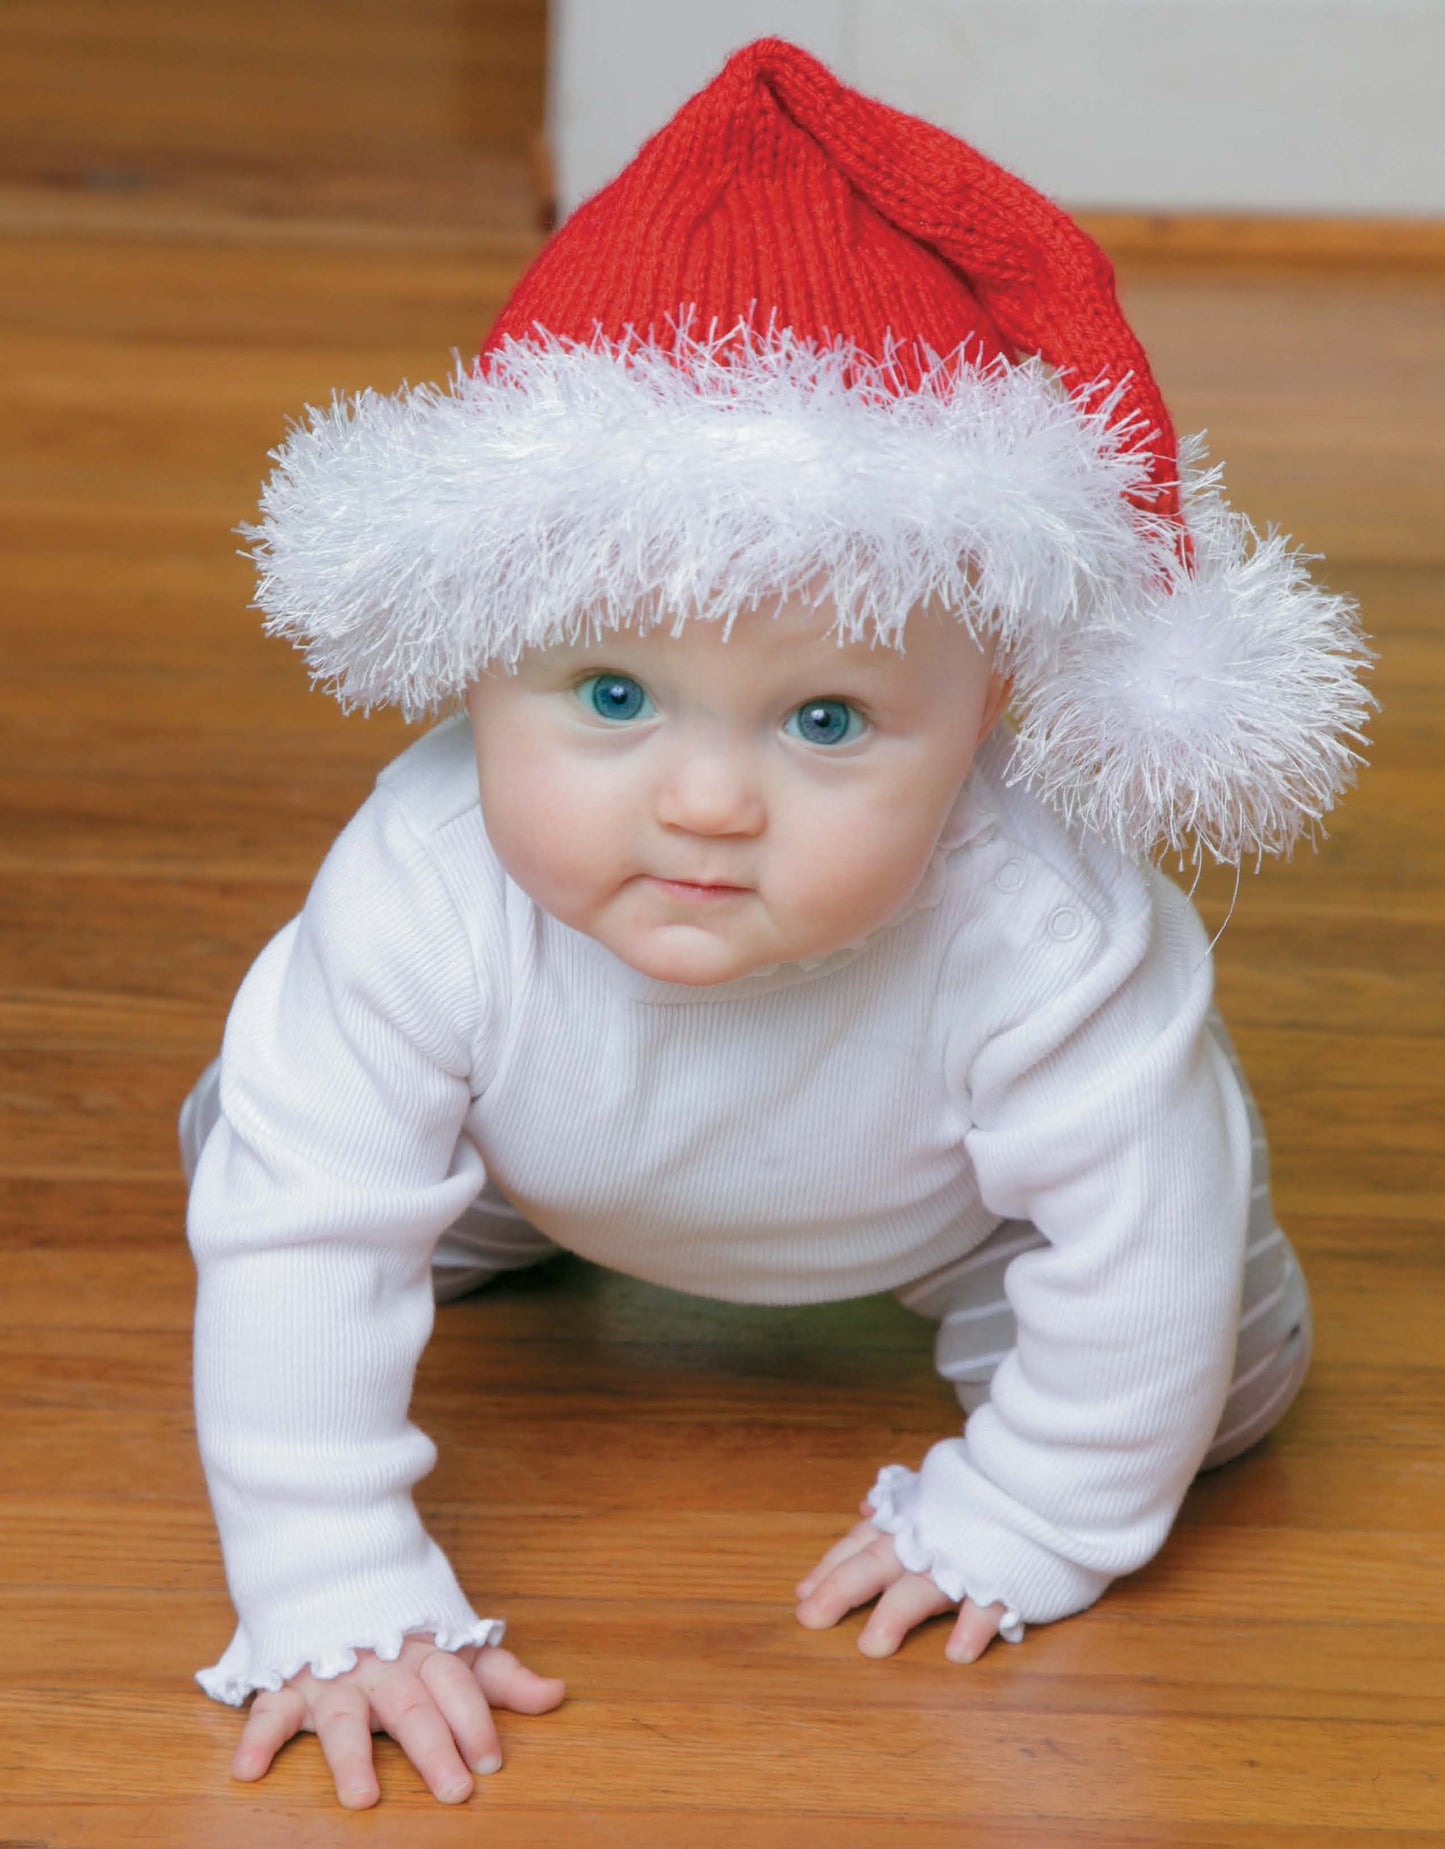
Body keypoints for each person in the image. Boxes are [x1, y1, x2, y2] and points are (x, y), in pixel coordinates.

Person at [180, 38, 1372, 1810]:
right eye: (605, 691)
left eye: (824, 721)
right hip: (535, 1136)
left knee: (1207, 1355)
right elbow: (297, 1231)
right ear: (473, 652)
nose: (706, 800)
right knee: (269, 1152)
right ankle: (502, 1216)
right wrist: (334, 1585)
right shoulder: (423, 882)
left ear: (988, 717)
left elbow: (1138, 1243)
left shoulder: (1040, 937)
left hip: (946, 1202)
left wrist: (1036, 1505)